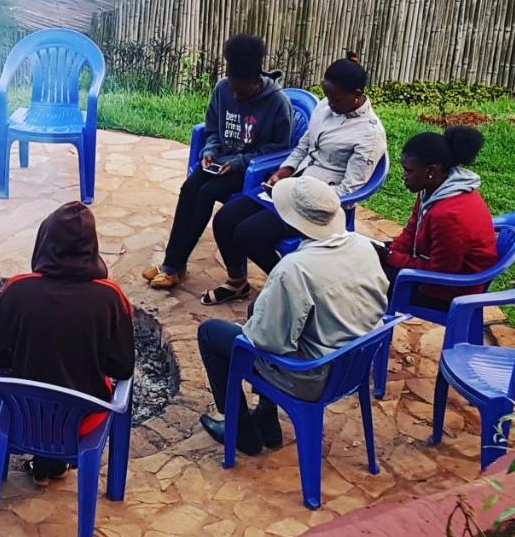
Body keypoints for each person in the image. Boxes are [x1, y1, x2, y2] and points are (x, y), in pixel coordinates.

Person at [196, 176, 389, 457]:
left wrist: (254, 326)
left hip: (311, 376)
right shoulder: (361, 245)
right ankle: (266, 418)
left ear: (290, 221)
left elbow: (265, 341)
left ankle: (240, 431)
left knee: (211, 333)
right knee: (257, 309)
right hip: (352, 363)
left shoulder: (294, 268)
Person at [206, 55, 386, 304]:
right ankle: (237, 283)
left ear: (356, 94)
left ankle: (289, 290)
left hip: (318, 203)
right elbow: (304, 145)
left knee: (248, 234)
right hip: (292, 185)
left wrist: (306, 196)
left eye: (336, 99)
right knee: (225, 219)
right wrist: (284, 171)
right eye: (327, 96)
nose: (329, 104)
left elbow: (350, 188)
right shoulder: (326, 106)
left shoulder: (369, 134)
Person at [0, 201, 135, 484]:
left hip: (23, 415)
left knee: (42, 391)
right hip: (83, 418)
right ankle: (57, 464)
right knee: (72, 394)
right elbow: (123, 367)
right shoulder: (111, 298)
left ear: (44, 242)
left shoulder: (17, 290)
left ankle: (45, 464)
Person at [141, 34, 293, 294]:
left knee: (205, 193)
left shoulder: (277, 103)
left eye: (241, 92)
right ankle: (172, 264)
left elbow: (281, 148)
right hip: (220, 161)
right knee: (189, 189)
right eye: (233, 88)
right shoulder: (223, 89)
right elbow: (212, 128)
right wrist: (210, 150)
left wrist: (239, 161)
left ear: (256, 82)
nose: (235, 94)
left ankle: (174, 266)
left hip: (251, 170)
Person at [379, 126, 497, 309]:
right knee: (363, 257)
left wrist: (392, 258)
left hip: (448, 291)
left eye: (408, 170)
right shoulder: (431, 188)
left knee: (363, 280)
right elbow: (411, 230)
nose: (404, 176)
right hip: (433, 270)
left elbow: (440, 271)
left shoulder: (449, 215)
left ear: (431, 170)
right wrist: (392, 251)